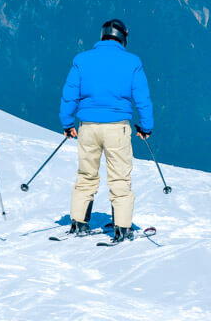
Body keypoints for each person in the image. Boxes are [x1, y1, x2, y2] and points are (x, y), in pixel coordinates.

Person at [59, 19, 154, 243]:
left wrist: (67, 123)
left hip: (87, 127)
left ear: (103, 36)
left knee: (86, 175)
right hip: (117, 128)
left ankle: (79, 222)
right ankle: (122, 227)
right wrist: (146, 127)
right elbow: (142, 98)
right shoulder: (132, 61)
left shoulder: (82, 59)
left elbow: (69, 93)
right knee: (119, 178)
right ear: (123, 38)